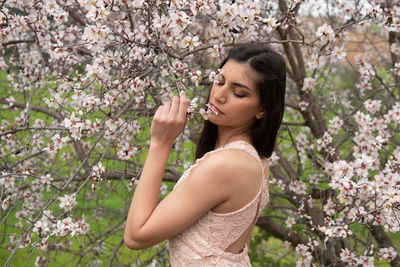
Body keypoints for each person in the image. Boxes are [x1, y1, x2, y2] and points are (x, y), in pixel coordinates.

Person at [124, 44, 286, 266]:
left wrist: (160, 144)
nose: (219, 95)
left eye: (238, 93)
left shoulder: (226, 165)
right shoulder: (258, 159)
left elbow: (136, 235)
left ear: (262, 109)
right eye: (219, 81)